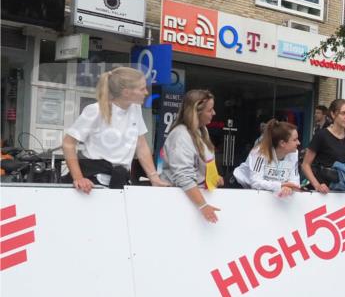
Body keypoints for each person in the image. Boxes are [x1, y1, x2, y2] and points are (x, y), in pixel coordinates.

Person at [62, 67, 169, 192]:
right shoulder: (95, 110)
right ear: (126, 92)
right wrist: (78, 178)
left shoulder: (135, 108)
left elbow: (141, 145)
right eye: (142, 89)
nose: (146, 92)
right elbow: (68, 143)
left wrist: (154, 177)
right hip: (93, 181)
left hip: (121, 179)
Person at [160, 89, 224, 223]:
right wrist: (203, 205)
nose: (214, 113)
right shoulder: (181, 135)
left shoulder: (202, 131)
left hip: (193, 201)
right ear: (197, 112)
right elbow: (183, 176)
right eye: (209, 110)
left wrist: (213, 178)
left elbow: (198, 169)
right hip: (179, 202)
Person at [302, 99, 345, 193]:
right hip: (321, 194)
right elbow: (305, 165)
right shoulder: (321, 135)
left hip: (342, 192)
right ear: (333, 114)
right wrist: (317, 185)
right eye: (343, 113)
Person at [233, 120, 302, 197]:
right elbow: (255, 182)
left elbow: (295, 181)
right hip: (238, 185)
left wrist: (289, 187)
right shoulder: (260, 152)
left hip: (263, 191)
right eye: (295, 140)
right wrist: (280, 185)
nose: (299, 143)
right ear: (282, 143)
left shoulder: (294, 153)